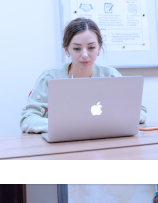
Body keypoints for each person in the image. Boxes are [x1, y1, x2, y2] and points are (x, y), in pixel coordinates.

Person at [20, 18, 148, 133]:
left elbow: (139, 111)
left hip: (104, 142)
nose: (85, 54)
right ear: (66, 50)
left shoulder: (111, 75)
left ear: (99, 48)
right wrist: (64, 127)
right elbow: (28, 119)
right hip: (60, 145)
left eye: (91, 47)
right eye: (77, 48)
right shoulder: (50, 77)